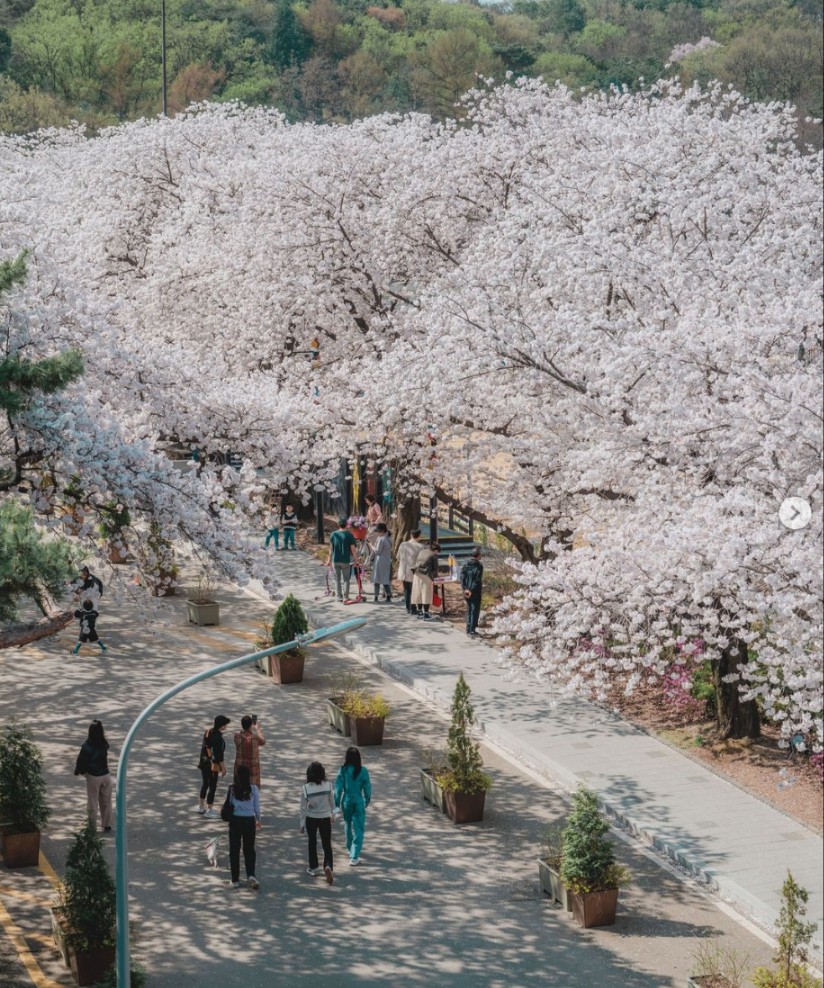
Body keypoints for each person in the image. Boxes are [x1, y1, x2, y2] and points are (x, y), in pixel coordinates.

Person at [74, 720, 114, 832]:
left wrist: (79, 771)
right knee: (107, 801)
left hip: (93, 776)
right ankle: (107, 824)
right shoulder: (104, 743)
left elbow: (81, 761)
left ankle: (91, 827)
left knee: (92, 802)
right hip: (106, 775)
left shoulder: (87, 745)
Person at [334, 747, 371, 866]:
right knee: (359, 828)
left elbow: (338, 789)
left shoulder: (342, 770)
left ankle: (350, 848)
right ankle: (354, 856)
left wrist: (336, 804)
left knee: (347, 824)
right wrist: (367, 800)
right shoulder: (363, 771)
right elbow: (367, 788)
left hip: (346, 801)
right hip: (358, 801)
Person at [299, 761, 335, 884]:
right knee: (326, 843)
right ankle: (328, 865)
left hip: (311, 818)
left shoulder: (305, 788)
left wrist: (302, 824)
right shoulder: (329, 785)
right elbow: (332, 801)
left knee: (312, 842)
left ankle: (313, 867)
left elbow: (303, 807)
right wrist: (333, 814)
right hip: (325, 817)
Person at [226, 764, 261, 890]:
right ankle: (251, 875)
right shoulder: (254, 789)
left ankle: (235, 879)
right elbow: (257, 807)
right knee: (249, 849)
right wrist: (258, 820)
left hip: (235, 821)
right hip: (249, 821)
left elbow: (229, 805)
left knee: (234, 851)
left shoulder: (232, 789)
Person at [200, 715, 230, 818]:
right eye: (225, 724)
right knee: (212, 786)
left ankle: (200, 806)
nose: (226, 726)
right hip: (213, 765)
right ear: (222, 725)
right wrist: (223, 768)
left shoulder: (208, 732)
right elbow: (219, 755)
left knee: (205, 784)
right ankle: (209, 809)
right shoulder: (219, 738)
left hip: (203, 762)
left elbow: (206, 747)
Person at [327, 517, 359, 602]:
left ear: (338, 524)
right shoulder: (349, 535)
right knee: (346, 579)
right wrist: (356, 560)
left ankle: (339, 597)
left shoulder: (333, 534)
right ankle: (346, 597)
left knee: (337, 579)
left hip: (335, 560)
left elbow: (331, 549)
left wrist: (328, 560)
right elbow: (353, 549)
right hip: (345, 561)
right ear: (347, 525)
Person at [233, 715, 265, 789]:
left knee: (239, 787)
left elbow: (242, 735)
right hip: (253, 769)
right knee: (252, 789)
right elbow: (263, 741)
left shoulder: (237, 737)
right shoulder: (255, 738)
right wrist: (258, 729)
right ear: (251, 725)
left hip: (240, 768)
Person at [411, 541, 440, 621]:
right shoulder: (433, 555)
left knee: (418, 593)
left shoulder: (422, 551)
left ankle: (420, 612)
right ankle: (426, 614)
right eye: (438, 551)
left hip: (416, 573)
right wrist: (436, 576)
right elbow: (435, 568)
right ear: (435, 550)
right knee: (426, 594)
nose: (437, 553)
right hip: (426, 575)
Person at [397, 529, 423, 613]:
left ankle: (408, 607)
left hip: (404, 570)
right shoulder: (420, 546)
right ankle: (413, 607)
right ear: (418, 536)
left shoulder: (403, 545)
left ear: (411, 535)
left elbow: (398, 557)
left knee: (407, 589)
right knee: (414, 590)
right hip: (413, 571)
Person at [461, 547, 484, 637]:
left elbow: (462, 577)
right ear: (478, 556)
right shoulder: (479, 566)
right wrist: (471, 590)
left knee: (469, 609)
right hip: (475, 591)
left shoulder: (466, 565)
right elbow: (477, 580)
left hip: (466, 591)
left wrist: (465, 588)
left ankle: (468, 628)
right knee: (475, 609)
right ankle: (472, 629)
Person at [370, 523, 393, 603]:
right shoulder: (389, 538)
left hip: (379, 561)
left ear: (382, 531)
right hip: (387, 561)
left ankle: (376, 597)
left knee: (377, 579)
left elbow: (377, 551)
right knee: (385, 580)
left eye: (378, 531)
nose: (378, 533)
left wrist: (371, 546)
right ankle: (389, 596)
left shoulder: (381, 539)